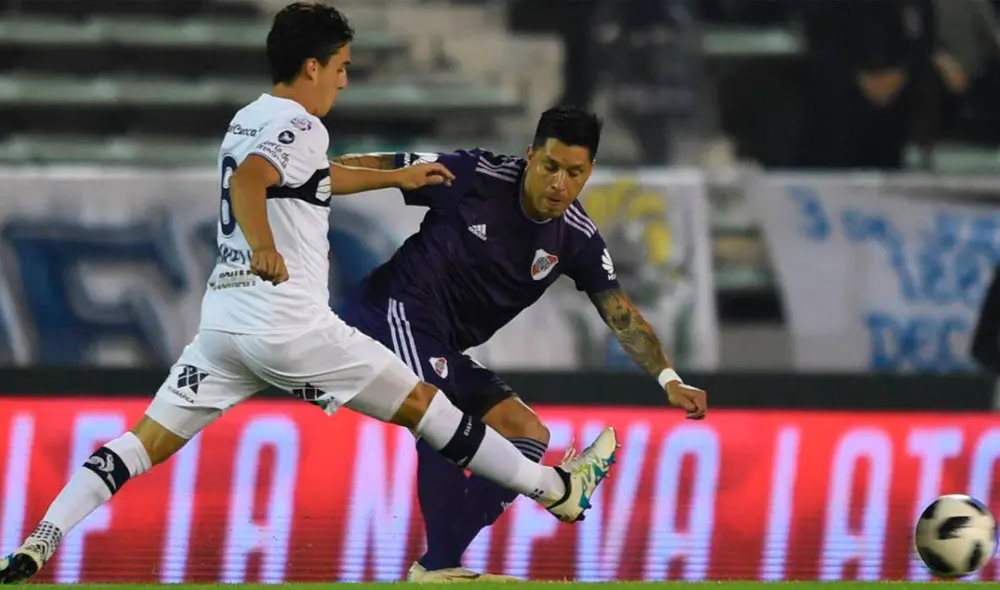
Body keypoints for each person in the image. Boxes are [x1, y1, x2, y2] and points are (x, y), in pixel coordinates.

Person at [0, 4, 618, 584]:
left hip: (224, 330)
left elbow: (310, 177)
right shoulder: (301, 123)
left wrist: (393, 176)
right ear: (313, 66)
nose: (344, 82)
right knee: (433, 411)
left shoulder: (249, 117)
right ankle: (556, 490)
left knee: (140, 444)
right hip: (291, 329)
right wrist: (264, 243)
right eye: (343, 67)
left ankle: (40, 539)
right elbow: (253, 182)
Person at [335, 105, 708, 582]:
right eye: (550, 166)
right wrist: (316, 174)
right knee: (440, 414)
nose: (559, 183)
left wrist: (669, 378)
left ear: (588, 171)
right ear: (530, 155)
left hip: (444, 345)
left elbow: (619, 311)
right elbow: (387, 166)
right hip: (392, 311)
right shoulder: (476, 175)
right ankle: (446, 562)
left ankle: (438, 565)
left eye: (574, 173)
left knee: (527, 431)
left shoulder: (576, 238)